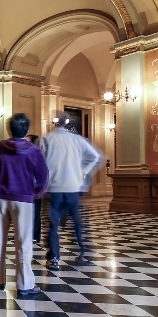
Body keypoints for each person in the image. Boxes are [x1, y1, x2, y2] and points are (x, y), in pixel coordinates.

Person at [0, 113, 48, 295]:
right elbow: (43, 179)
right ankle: (25, 284)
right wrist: (35, 194)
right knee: (23, 242)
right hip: (23, 199)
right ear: (27, 129)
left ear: (9, 129)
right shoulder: (33, 151)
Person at [39, 112, 105, 269]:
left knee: (53, 225)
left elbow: (40, 163)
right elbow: (96, 156)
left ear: (54, 123)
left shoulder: (46, 139)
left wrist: (40, 184)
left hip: (53, 188)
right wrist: (83, 171)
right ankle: (83, 252)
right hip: (73, 188)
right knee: (76, 222)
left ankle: (53, 258)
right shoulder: (77, 139)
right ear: (67, 123)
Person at [25, 134, 42, 248]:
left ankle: (35, 236)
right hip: (26, 187)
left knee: (35, 213)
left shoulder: (37, 155)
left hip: (35, 188)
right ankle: (26, 235)